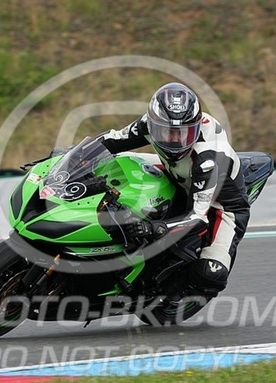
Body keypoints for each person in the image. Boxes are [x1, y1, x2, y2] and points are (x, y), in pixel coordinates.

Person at [96, 82, 250, 299]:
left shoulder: (209, 158)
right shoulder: (148, 123)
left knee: (211, 274)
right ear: (153, 124)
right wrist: (72, 155)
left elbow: (197, 217)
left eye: (184, 133)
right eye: (167, 132)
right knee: (116, 163)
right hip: (177, 175)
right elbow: (112, 140)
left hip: (219, 206)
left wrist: (153, 228)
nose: (176, 140)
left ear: (196, 127)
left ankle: (164, 296)